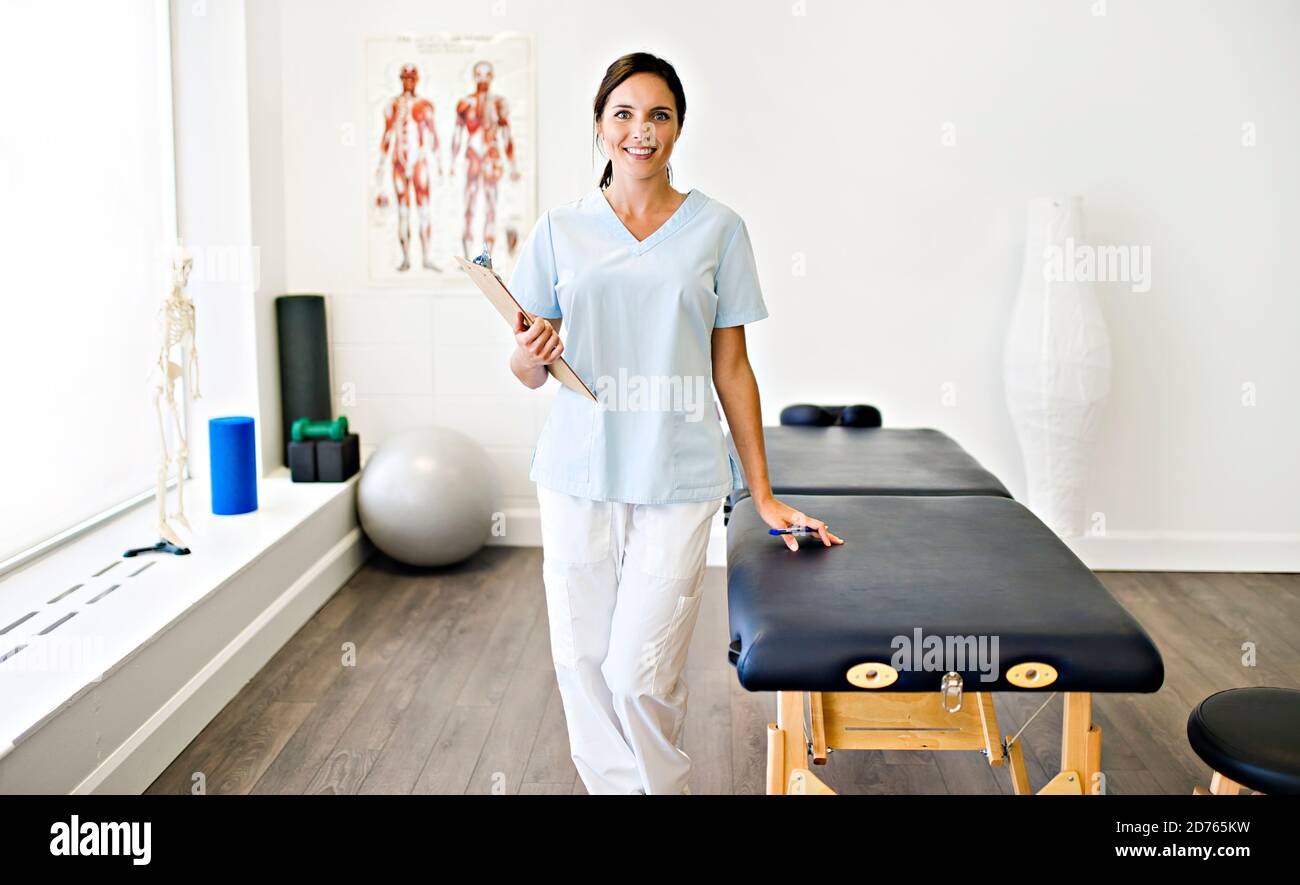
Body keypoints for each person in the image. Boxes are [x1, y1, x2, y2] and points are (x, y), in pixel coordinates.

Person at [507, 52, 844, 796]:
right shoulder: (561, 230)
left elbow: (733, 370)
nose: (641, 131)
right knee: (581, 661)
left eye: (658, 114)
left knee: (638, 668)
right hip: (576, 470)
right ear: (600, 126)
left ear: (678, 127)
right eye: (623, 114)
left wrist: (763, 493)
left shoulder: (718, 229)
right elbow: (532, 369)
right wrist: (527, 354)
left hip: (680, 472)